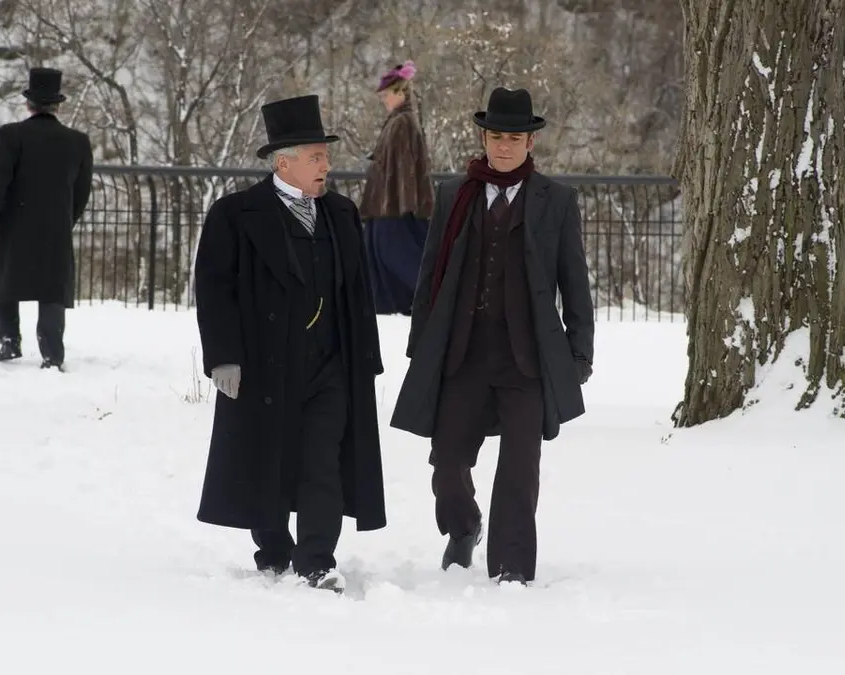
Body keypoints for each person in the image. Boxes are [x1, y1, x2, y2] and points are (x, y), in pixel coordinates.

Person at [389, 87, 595, 586]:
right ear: (484, 138)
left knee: (519, 473)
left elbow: (575, 282)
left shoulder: (556, 201)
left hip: (527, 361)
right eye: (497, 136)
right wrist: (421, 346)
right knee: (447, 462)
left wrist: (579, 354)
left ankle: (511, 569)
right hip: (464, 354)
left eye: (514, 138)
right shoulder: (454, 195)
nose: (504, 146)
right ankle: (463, 528)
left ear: (530, 142)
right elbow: (430, 276)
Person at [192, 94, 387, 594]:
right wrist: (224, 358)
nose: (326, 166)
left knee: (324, 461)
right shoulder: (235, 214)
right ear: (284, 163)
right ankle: (274, 551)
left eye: (326, 156)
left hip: (330, 365)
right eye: (317, 157)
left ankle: (317, 560)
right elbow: (214, 290)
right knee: (270, 459)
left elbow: (357, 291)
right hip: (265, 364)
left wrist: (365, 357)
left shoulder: (341, 213)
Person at [0, 67, 93, 372]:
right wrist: (66, 219)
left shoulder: (12, 135)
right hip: (55, 227)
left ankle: (9, 341)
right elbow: (82, 191)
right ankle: (52, 353)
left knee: (6, 281)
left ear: (29, 103)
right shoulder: (78, 142)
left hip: (14, 223)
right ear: (57, 106)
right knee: (52, 289)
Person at [358, 60, 434, 315]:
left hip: (394, 203)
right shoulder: (400, 120)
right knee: (377, 250)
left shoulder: (403, 123)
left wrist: (404, 202)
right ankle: (393, 304)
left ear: (400, 93)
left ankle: (428, 298)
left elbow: (405, 167)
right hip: (388, 201)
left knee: (393, 251)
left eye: (387, 95)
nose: (384, 101)